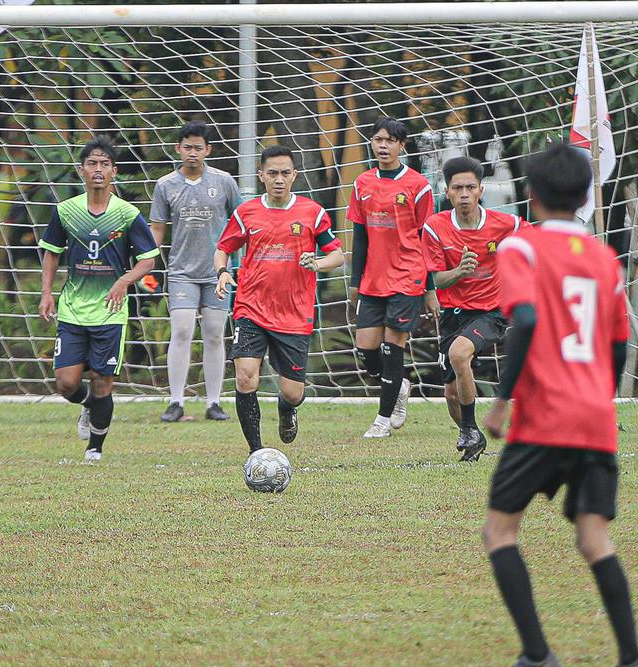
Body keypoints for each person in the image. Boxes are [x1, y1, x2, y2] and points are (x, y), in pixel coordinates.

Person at [476, 143, 638, 667]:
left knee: (500, 531)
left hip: (545, 416)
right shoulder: (605, 258)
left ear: (531, 193)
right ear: (583, 197)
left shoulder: (521, 250)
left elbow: (525, 319)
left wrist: (503, 399)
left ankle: (536, 657)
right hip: (594, 415)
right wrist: (598, 397)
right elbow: (619, 347)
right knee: (594, 538)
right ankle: (632, 662)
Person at [214, 145, 344, 454]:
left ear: (295, 175)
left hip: (294, 314)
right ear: (261, 176)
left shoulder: (312, 212)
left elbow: (337, 255)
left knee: (293, 392)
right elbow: (224, 247)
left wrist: (319, 263)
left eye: (285, 173)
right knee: (245, 378)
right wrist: (222, 272)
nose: (279, 179)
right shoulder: (246, 213)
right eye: (272, 173)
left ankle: (287, 409)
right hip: (251, 308)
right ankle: (256, 453)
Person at [38, 137, 160, 462]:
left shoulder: (127, 214)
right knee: (66, 383)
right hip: (73, 310)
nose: (98, 170)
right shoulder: (65, 212)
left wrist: (124, 279)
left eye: (104, 164)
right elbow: (51, 253)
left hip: (110, 313)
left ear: (114, 172)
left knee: (102, 380)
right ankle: (88, 405)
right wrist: (47, 292)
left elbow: (148, 260)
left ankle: (95, 449)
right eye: (92, 163)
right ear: (81, 171)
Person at [425, 156, 524, 461]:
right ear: (448, 192)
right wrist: (459, 271)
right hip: (454, 314)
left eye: (470, 187)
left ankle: (468, 429)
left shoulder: (506, 224)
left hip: (491, 312)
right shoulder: (435, 227)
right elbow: (438, 280)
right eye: (458, 188)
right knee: (452, 395)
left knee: (458, 354)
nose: (464, 193)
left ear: (480, 190)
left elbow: (536, 243)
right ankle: (473, 435)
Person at [346, 116, 438, 439]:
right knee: (367, 350)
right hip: (373, 278)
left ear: (401, 145)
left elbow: (427, 239)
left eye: (389, 141)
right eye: (378, 140)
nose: (383, 146)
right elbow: (359, 237)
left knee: (392, 346)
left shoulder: (418, 186)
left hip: (408, 276)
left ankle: (383, 420)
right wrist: (355, 282)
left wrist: (429, 287)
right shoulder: (362, 184)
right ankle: (398, 384)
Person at [150, 121, 243, 423]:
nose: (192, 153)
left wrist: (236, 263)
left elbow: (240, 222)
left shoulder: (224, 181)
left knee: (215, 334)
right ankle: (176, 401)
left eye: (198, 148)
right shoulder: (165, 185)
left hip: (217, 272)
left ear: (208, 150)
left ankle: (213, 402)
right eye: (187, 147)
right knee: (181, 331)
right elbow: (157, 229)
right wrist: (145, 264)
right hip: (181, 272)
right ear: (178, 149)